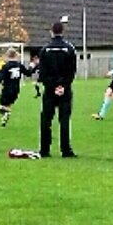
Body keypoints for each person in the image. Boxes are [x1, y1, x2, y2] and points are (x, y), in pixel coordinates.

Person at [37, 21, 78, 158]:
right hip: (65, 90)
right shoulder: (69, 49)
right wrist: (62, 86)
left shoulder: (45, 50)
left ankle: (44, 150)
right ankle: (65, 150)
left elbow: (42, 73)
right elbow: (72, 72)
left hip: (49, 90)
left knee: (46, 120)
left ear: (51, 32)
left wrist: (52, 86)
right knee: (64, 119)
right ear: (63, 31)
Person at [0, 48, 38, 127]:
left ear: (7, 55)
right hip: (16, 89)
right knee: (8, 104)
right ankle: (4, 119)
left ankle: (5, 115)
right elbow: (28, 73)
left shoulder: (6, 66)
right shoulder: (19, 65)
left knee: (2, 106)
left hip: (7, 88)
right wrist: (32, 66)